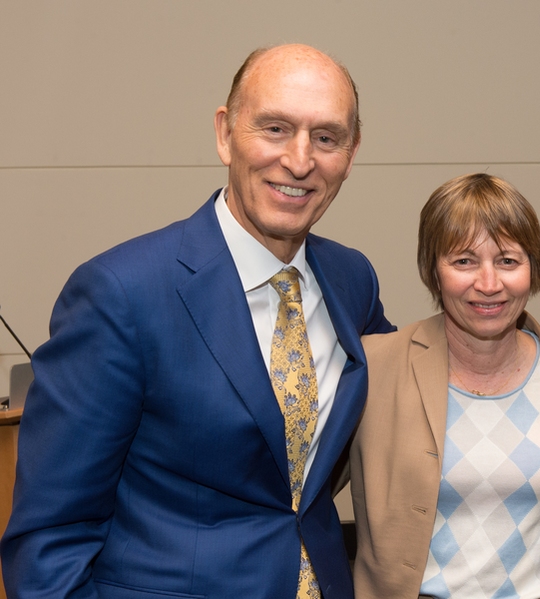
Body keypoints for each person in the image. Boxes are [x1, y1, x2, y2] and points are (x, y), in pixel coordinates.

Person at [0, 44, 393, 598]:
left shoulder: (352, 280)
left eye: (326, 137)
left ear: (351, 154)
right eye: (275, 128)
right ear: (225, 133)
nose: (301, 160)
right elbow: (49, 539)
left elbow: (413, 394)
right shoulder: (120, 294)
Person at [347, 173, 540, 599]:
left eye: (508, 261)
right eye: (463, 261)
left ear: (533, 269)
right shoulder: (374, 367)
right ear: (433, 270)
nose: (488, 283)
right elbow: (299, 494)